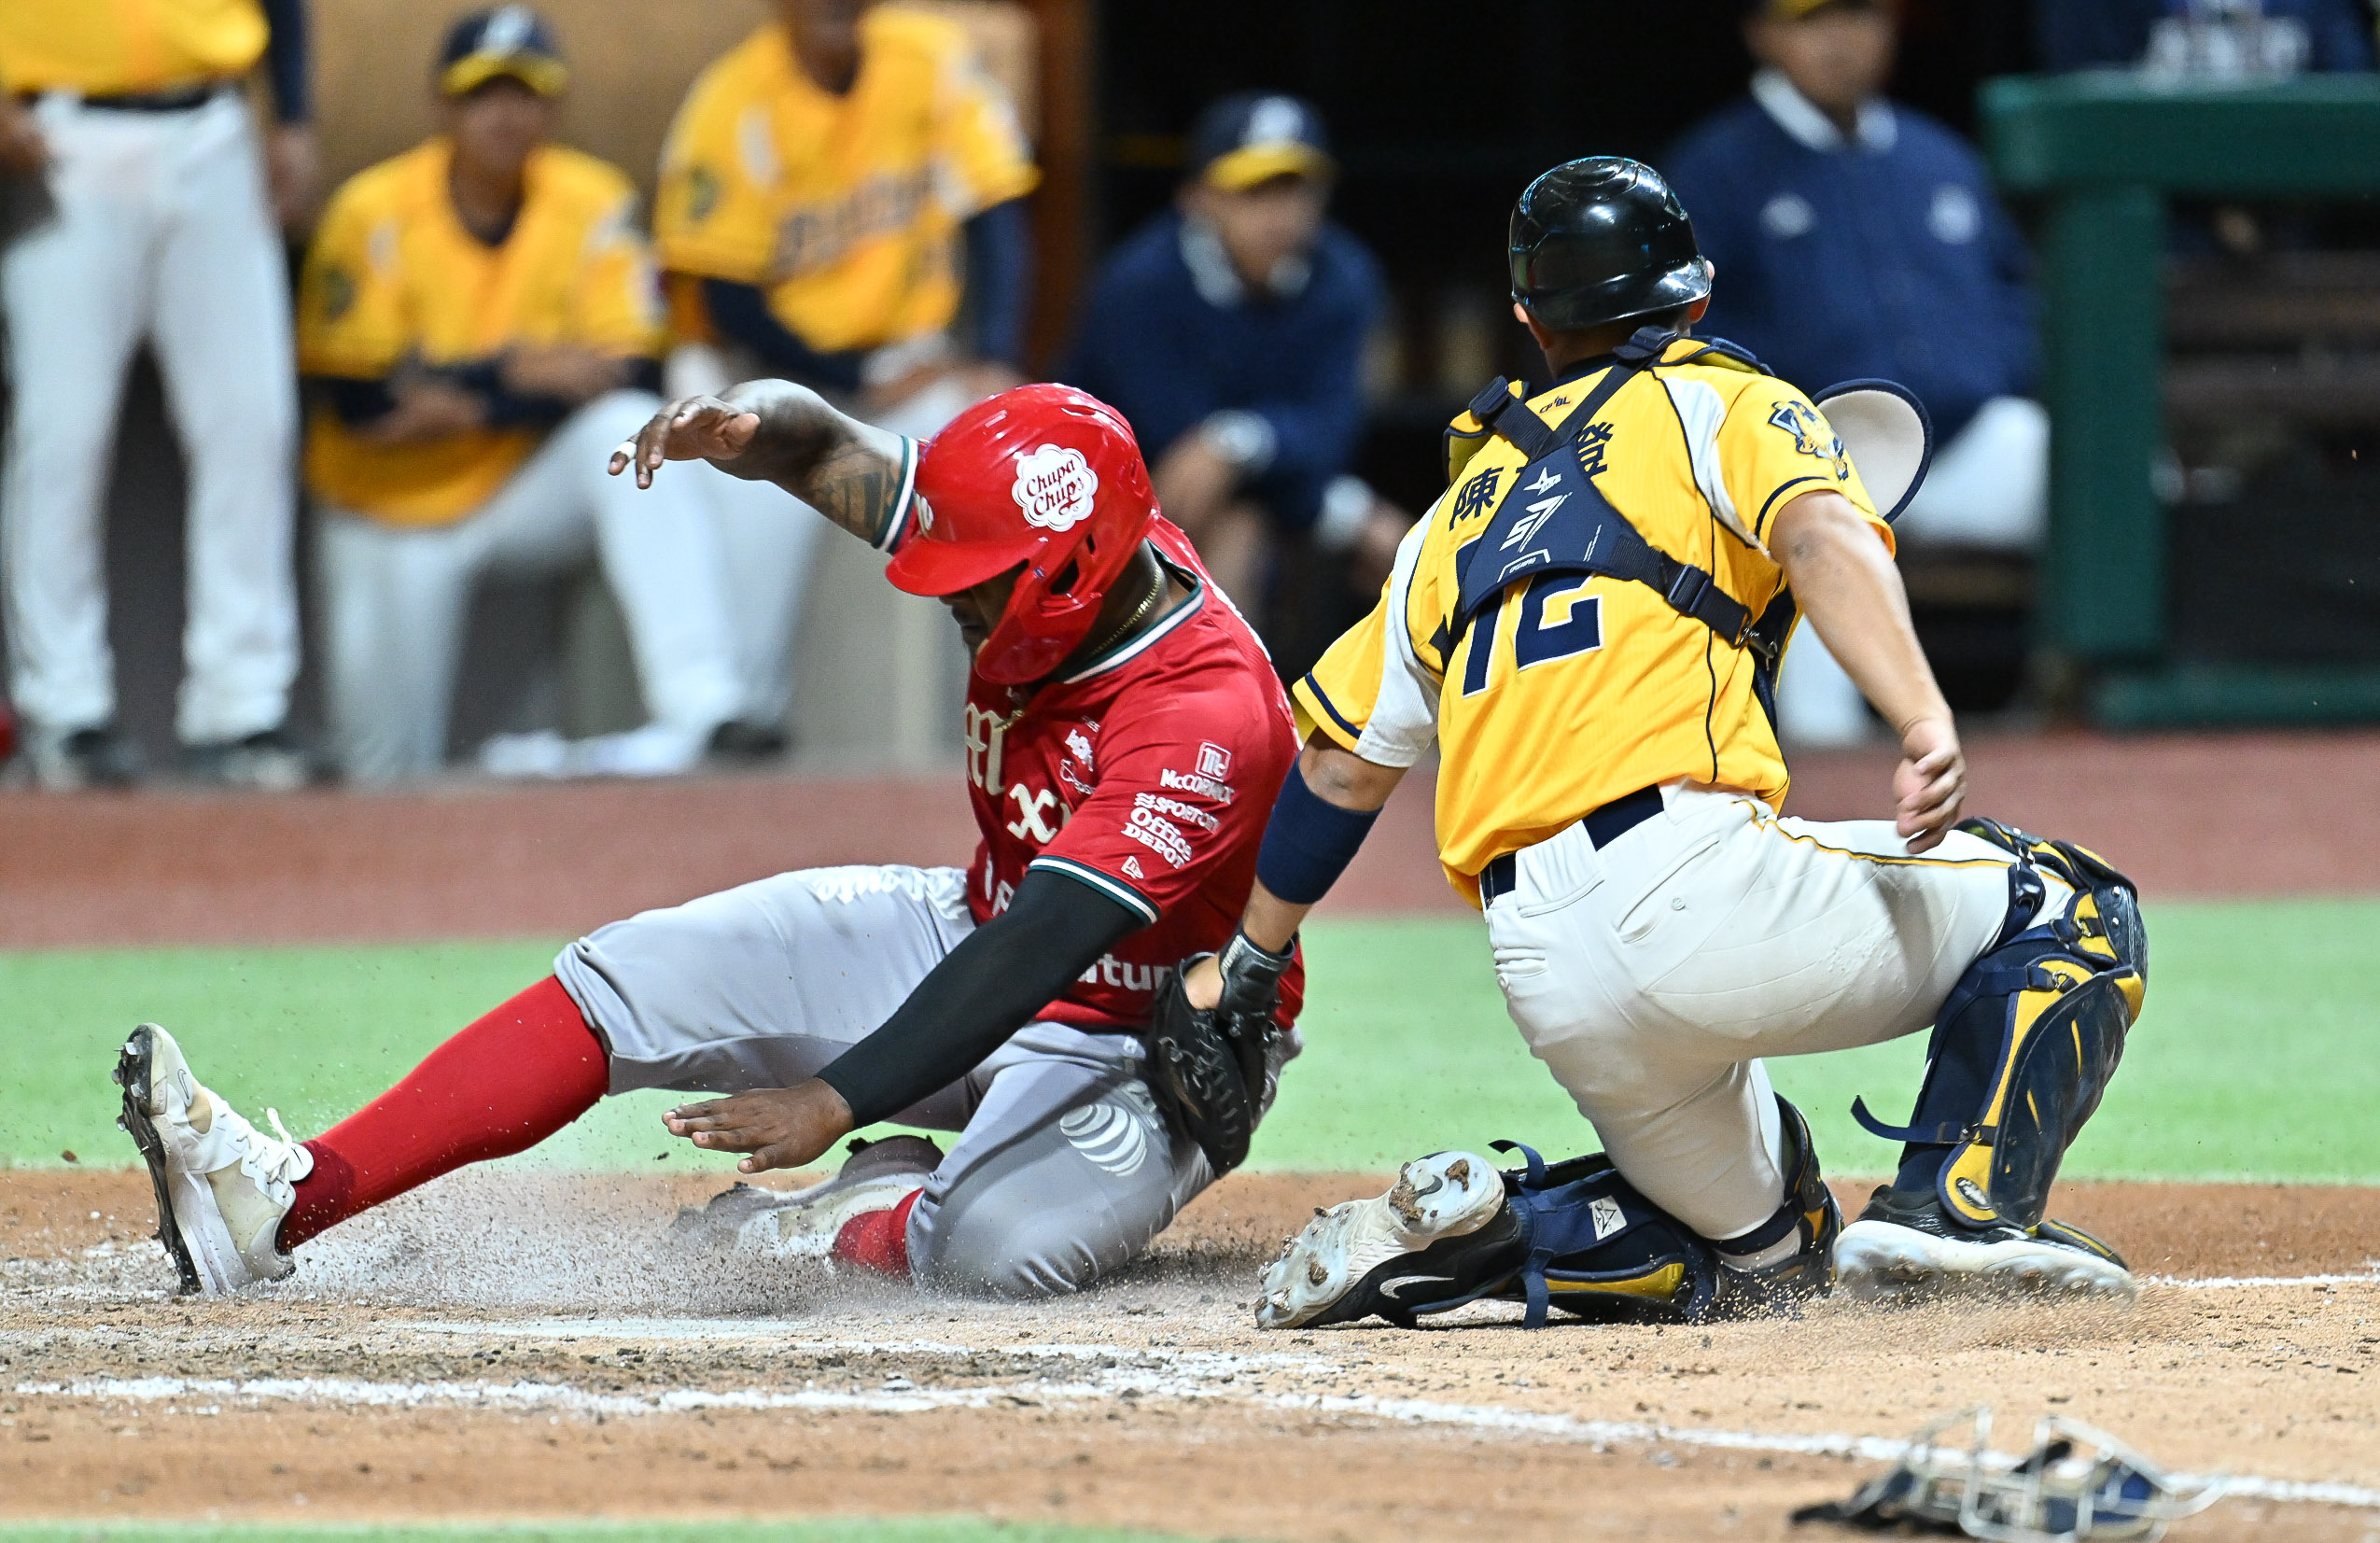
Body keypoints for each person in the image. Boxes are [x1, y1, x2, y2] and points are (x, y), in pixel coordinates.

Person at [1175, 158, 2148, 1331]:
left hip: (1543, 969)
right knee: (2076, 911)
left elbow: (1337, 768)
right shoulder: (1726, 400)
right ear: (1696, 295)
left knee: (1763, 1261)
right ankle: (1960, 1214)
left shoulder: (1452, 516)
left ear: (1531, 322)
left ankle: (1483, 1240)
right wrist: (1923, 714)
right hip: (1692, 888)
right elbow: (1827, 536)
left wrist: (1249, 962)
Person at [114, 379, 1306, 1300]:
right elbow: (825, 444)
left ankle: (858, 1215)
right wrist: (746, 424)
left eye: (980, 583)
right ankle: (284, 1200)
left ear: (1074, 569)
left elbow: (1049, 944)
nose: (951, 597)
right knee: (633, 977)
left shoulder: (1206, 712)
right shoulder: (1058, 548)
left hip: (1138, 1034)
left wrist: (835, 1100)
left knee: (992, 1254)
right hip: (975, 923)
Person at [296, 8, 742, 784]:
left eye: (526, 94)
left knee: (630, 427)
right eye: (484, 95)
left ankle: (701, 703)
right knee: (385, 771)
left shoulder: (590, 200)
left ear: (553, 106)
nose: (506, 115)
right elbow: (353, 399)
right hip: (388, 509)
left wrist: (458, 396)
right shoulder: (372, 211)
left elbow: (636, 371)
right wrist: (512, 375)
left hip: (511, 485)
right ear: (445, 107)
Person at [653, 0, 1038, 751]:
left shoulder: (930, 59)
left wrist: (993, 349)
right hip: (767, 374)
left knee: (1002, 446)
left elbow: (997, 216)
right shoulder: (732, 100)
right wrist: (853, 374)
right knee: (751, 618)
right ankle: (732, 743)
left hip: (909, 360)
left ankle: (1031, 699)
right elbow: (730, 299)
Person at [1660, 0, 2040, 745]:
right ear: (1762, 32)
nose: (1840, 40)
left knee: (2103, 477)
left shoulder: (1941, 157)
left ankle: (2092, 716)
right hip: (1812, 461)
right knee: (1796, 524)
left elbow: (2018, 296)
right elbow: (1678, 342)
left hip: (1957, 447)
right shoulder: (1713, 170)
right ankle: (1821, 763)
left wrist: (1996, 366)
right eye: (1811, 19)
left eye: (1859, 15)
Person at [0, 0, 317, 790]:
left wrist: (297, 113)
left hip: (215, 124)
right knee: (63, 430)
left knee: (252, 420)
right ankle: (63, 708)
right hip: (62, 132)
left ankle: (240, 705)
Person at [1060, 93, 1403, 683]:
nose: (1281, 215)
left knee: (1404, 552)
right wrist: (1327, 505)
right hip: (1101, 512)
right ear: (1196, 199)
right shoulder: (1139, 285)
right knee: (1236, 528)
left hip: (1264, 487)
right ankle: (1202, 727)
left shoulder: (1345, 278)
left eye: (1297, 190)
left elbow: (1330, 432)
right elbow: (1173, 460)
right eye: (1254, 192)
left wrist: (1239, 440)